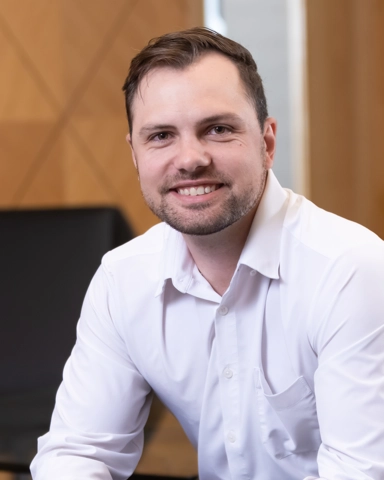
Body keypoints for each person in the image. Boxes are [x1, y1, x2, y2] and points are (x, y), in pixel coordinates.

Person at [31, 27, 384, 480]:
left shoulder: (351, 270)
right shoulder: (123, 279)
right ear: (136, 155)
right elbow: (79, 454)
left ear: (267, 142)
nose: (190, 158)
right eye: (160, 135)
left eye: (218, 129)